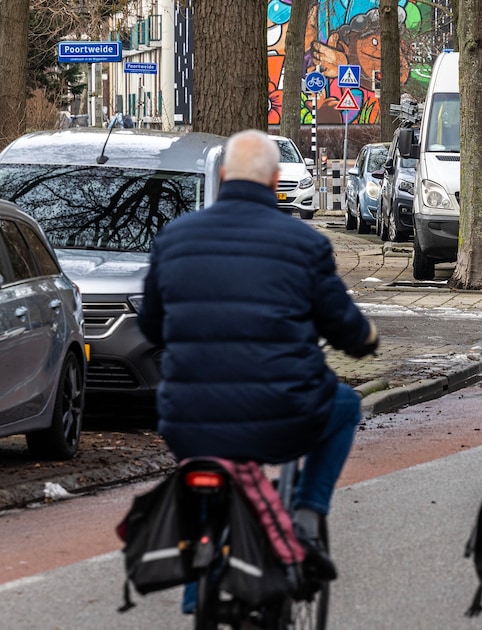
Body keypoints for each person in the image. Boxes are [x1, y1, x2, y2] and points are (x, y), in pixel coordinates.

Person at [138, 129, 378, 582]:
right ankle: (306, 517)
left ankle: (199, 595)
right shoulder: (304, 244)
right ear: (273, 182)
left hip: (188, 417)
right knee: (346, 406)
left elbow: (151, 326)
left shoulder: (174, 239)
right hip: (282, 414)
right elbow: (342, 326)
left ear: (222, 176)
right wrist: (365, 339)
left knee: (205, 484)